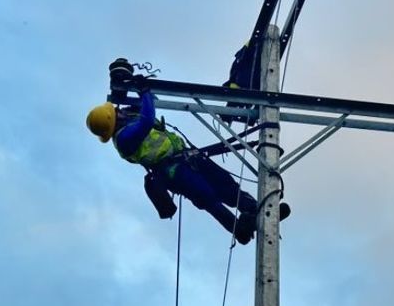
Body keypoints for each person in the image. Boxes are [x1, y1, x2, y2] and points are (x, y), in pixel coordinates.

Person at [86, 85, 290, 244]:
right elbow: (148, 120)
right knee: (207, 196)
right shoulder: (123, 138)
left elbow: (150, 105)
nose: (119, 110)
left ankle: (257, 211)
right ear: (113, 120)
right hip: (172, 171)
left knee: (226, 185)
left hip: (187, 157)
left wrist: (142, 90)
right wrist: (144, 91)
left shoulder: (129, 120)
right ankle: (239, 230)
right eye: (116, 111)